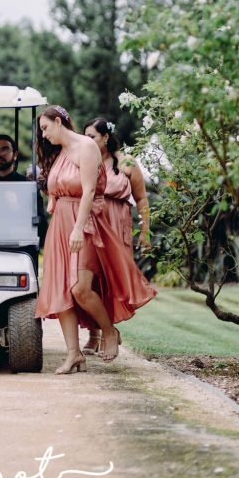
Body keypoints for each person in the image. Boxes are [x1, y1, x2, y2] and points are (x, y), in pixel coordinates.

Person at [34, 105, 156, 374]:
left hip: (83, 223)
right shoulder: (60, 154)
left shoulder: (86, 147)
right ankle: (74, 354)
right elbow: (54, 193)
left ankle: (108, 331)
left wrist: (77, 229)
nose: (43, 135)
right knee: (61, 291)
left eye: (45, 128)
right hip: (60, 225)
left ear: (58, 121)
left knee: (80, 288)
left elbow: (89, 190)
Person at [80, 118, 152, 355]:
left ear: (105, 138)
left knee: (111, 280)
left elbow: (141, 198)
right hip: (93, 223)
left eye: (91, 137)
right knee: (90, 279)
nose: (86, 141)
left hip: (117, 222)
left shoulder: (127, 162)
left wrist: (145, 231)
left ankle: (105, 333)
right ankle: (95, 333)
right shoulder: (84, 161)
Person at [0, 134, 48, 247]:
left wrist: (17, 207)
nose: (0, 154)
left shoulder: (26, 185)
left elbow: (41, 226)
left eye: (5, 149)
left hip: (18, 247)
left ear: (15, 155)